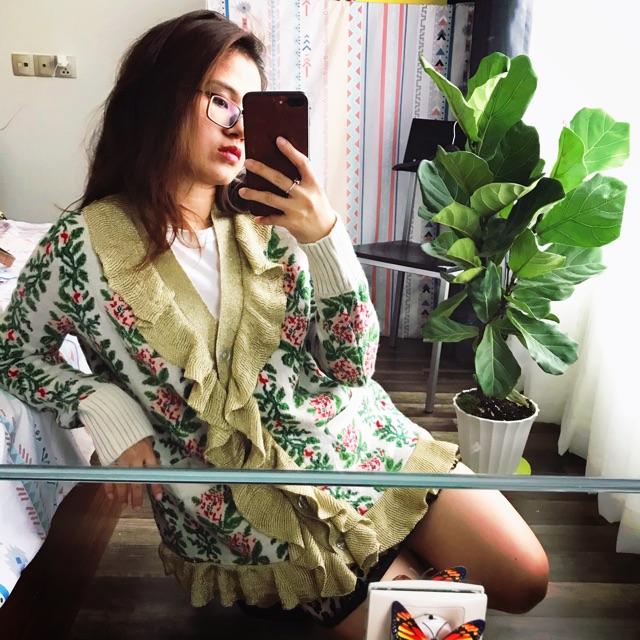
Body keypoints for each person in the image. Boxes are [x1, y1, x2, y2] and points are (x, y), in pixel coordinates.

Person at [0, 10, 548, 639]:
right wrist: (102, 402)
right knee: (428, 629)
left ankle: (401, 569)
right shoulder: (80, 246)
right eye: (219, 100)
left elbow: (350, 368)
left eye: (249, 107)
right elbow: (13, 355)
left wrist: (326, 238)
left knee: (526, 578)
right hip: (257, 512)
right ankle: (342, 584)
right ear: (154, 99)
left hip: (360, 444)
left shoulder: (270, 219)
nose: (238, 125)